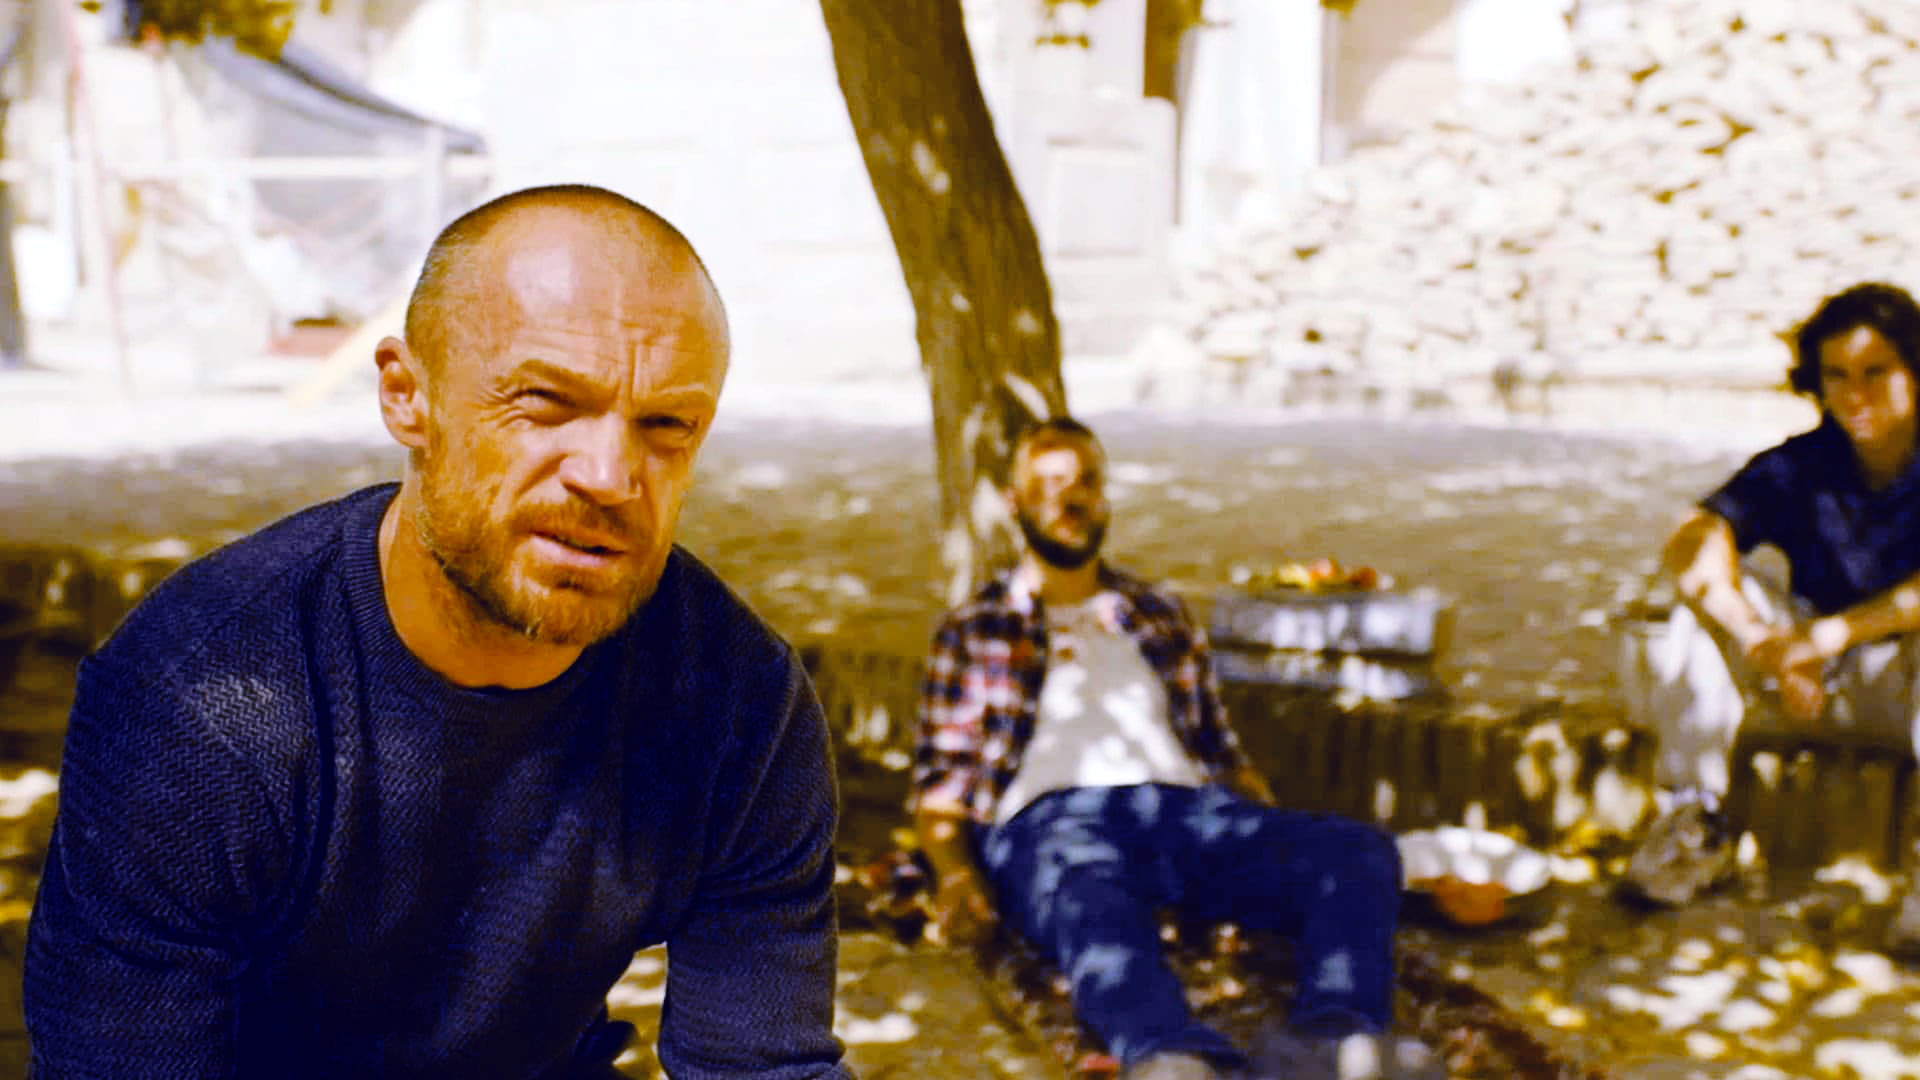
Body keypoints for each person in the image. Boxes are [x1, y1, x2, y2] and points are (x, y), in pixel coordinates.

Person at [25, 185, 852, 1078]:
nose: (611, 476)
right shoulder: (202, 702)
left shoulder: (736, 706)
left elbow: (764, 1066)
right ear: (406, 396)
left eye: (665, 427)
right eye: (546, 403)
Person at [911, 417, 1430, 1080]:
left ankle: (1333, 1040)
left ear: (1104, 496)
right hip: (1053, 823)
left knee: (1357, 851)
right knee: (1091, 903)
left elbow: (1222, 751)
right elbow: (942, 787)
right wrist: (956, 875)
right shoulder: (974, 628)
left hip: (1187, 814)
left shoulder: (1156, 612)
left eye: (1086, 482)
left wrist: (1270, 831)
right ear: (1014, 505)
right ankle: (1172, 1056)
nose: (1072, 500)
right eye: (1049, 486)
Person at [1625, 282, 1920, 940]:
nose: (1854, 394)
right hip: (1805, 688)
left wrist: (1826, 636)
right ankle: (1694, 824)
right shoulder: (1803, 464)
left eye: (1875, 373)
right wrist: (1759, 638)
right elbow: (1693, 538)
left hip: (1902, 688)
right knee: (1686, 602)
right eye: (1837, 375)